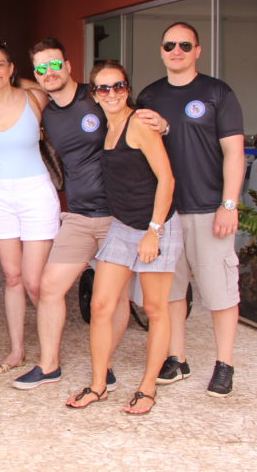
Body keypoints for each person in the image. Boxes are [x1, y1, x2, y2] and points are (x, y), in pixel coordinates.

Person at [136, 21, 245, 397]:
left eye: (185, 44)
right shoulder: (149, 96)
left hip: (207, 207)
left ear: (198, 50)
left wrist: (228, 204)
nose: (177, 51)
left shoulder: (217, 92)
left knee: (220, 291)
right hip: (166, 213)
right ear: (161, 51)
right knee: (171, 292)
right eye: (170, 45)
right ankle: (177, 358)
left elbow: (234, 153)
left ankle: (224, 363)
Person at [66, 61, 181, 415]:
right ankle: (99, 384)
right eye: (104, 88)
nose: (112, 93)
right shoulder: (109, 127)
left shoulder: (139, 124)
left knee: (155, 309)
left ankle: (148, 388)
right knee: (101, 306)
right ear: (94, 95)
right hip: (123, 225)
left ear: (127, 89)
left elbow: (167, 180)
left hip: (155, 225)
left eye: (118, 86)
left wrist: (154, 232)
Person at [13, 38, 125, 390]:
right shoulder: (47, 113)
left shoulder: (97, 96)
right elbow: (17, 84)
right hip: (77, 216)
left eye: (55, 64)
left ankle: (103, 364)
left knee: (114, 298)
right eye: (42, 68)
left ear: (69, 64)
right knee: (49, 288)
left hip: (117, 215)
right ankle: (49, 366)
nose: (50, 72)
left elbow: (133, 123)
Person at [0, 40, 59, 375]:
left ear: (11, 69)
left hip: (36, 191)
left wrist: (22, 82)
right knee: (12, 277)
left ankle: (49, 350)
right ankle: (17, 350)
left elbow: (53, 87)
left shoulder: (34, 99)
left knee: (35, 281)